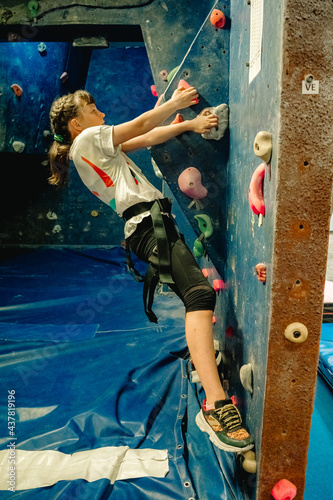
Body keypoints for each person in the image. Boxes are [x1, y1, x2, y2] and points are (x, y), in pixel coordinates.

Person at [48, 88, 254, 453]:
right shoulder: (87, 140)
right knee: (200, 295)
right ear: (76, 123)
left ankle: (204, 360)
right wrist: (176, 104)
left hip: (151, 227)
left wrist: (186, 123)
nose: (101, 112)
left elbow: (145, 137)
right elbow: (140, 124)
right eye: (93, 109)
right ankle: (216, 406)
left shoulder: (95, 147)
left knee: (196, 296)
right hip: (148, 227)